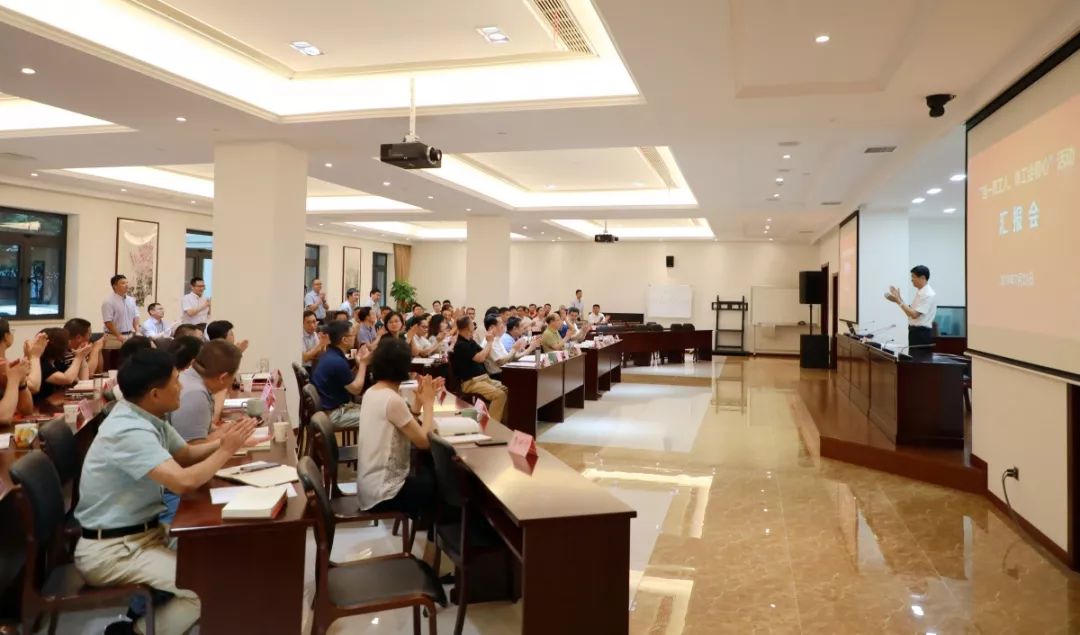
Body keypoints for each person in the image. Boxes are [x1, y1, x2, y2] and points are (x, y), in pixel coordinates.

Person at [73, 349, 257, 635]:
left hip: (144, 535)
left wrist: (227, 442)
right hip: (113, 550)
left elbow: (185, 455)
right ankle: (134, 632)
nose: (182, 386)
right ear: (156, 393)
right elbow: (182, 482)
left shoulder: (146, 415)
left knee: (216, 555)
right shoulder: (128, 430)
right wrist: (226, 451)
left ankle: (150, 614)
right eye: (175, 381)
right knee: (203, 588)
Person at [356, 338, 442, 521]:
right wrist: (429, 403)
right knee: (444, 480)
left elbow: (405, 427)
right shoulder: (392, 399)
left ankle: (426, 525)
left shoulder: (372, 392)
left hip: (369, 486)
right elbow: (424, 442)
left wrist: (418, 404)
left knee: (431, 469)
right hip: (384, 493)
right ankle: (437, 533)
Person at [310, 320, 370, 430]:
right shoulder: (337, 361)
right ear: (344, 340)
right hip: (333, 415)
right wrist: (363, 364)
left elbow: (347, 380)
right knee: (377, 416)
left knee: (376, 410)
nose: (355, 337)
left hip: (332, 410)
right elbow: (356, 389)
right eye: (353, 335)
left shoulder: (330, 355)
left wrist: (358, 363)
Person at [449, 317, 508, 421]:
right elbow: (480, 358)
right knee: (499, 395)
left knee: (507, 389)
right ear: (468, 327)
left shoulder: (470, 341)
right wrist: (489, 342)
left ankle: (504, 422)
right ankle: (492, 426)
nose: (474, 325)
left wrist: (490, 340)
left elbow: (485, 353)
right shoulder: (461, 345)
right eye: (472, 324)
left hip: (483, 378)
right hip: (471, 382)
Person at [33, 328, 92, 405]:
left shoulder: (57, 361)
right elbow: (67, 379)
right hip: (40, 406)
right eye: (67, 342)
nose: (69, 344)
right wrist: (78, 358)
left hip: (55, 402)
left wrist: (82, 357)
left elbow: (83, 383)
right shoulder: (41, 363)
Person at [885, 265, 938, 349]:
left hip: (921, 333)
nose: (911, 279)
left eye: (913, 277)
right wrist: (899, 299)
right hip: (915, 332)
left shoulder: (928, 294)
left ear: (923, 278)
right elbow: (909, 312)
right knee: (913, 356)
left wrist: (898, 301)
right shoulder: (921, 292)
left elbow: (914, 315)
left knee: (918, 357)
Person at [483, 314, 534, 380]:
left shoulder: (497, 339)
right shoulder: (489, 342)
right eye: (500, 323)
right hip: (498, 375)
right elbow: (501, 362)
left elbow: (510, 358)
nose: (503, 326)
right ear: (491, 328)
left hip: (505, 371)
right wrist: (514, 349)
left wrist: (529, 348)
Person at [102, 274, 138, 349]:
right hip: (114, 337)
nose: (127, 285)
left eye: (127, 283)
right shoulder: (108, 301)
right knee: (116, 356)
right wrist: (118, 335)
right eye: (123, 283)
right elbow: (108, 321)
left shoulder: (131, 300)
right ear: (114, 286)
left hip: (130, 335)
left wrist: (137, 331)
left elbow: (135, 316)